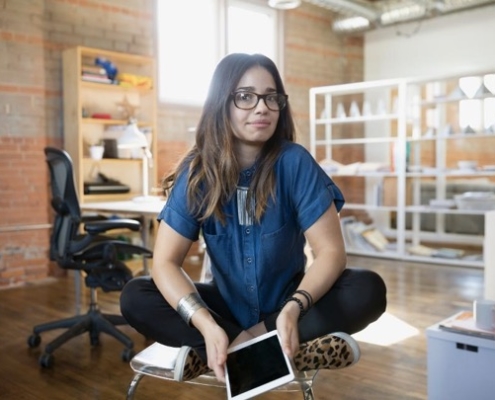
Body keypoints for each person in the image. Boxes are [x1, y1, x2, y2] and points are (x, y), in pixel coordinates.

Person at [120, 53, 387, 383]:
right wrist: (206, 323)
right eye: (245, 97)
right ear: (222, 103)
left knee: (367, 289)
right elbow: (164, 263)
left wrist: (293, 309)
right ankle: (258, 349)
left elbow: (331, 253)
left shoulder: (295, 162)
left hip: (287, 307)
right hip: (225, 310)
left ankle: (219, 354)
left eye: (271, 97)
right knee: (136, 295)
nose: (262, 108)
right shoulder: (197, 173)